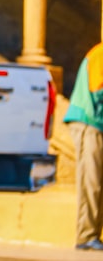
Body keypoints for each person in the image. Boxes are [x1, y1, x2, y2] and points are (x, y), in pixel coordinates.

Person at [65, 43, 103, 251]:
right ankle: (86, 236)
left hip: (97, 123)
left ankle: (93, 234)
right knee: (91, 180)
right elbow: (98, 90)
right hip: (88, 122)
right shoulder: (100, 55)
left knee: (97, 181)